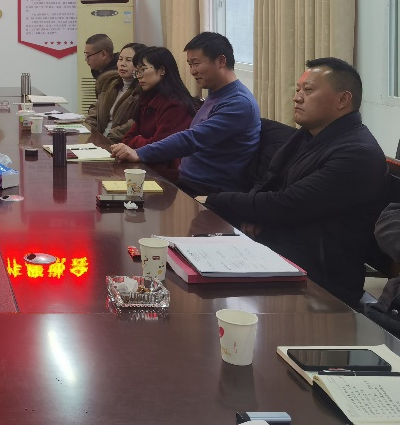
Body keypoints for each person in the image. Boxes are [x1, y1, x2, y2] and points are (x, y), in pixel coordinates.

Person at [199, 58, 390, 308]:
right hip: (279, 250)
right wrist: (253, 213)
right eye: (298, 90)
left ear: (343, 100)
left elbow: (287, 204)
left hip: (320, 279)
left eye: (308, 90)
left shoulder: (357, 153)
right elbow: (269, 180)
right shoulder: (308, 134)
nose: (297, 98)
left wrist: (215, 199)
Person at [111, 32, 260, 196]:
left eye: (196, 63)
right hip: (187, 181)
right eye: (190, 65)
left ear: (221, 61)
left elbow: (192, 139)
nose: (192, 71)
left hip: (209, 190)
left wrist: (139, 153)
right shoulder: (215, 95)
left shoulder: (238, 103)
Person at [111, 47, 198, 178]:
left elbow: (161, 147)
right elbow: (127, 139)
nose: (139, 76)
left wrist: (138, 141)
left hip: (166, 174)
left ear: (162, 70)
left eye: (143, 69)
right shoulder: (147, 99)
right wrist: (142, 142)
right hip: (146, 166)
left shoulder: (176, 105)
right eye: (137, 71)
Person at [84, 43, 146, 142]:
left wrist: (107, 138)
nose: (122, 64)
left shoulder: (143, 91)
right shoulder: (109, 84)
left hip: (120, 143)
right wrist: (89, 130)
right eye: (120, 59)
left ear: (141, 65)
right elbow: (95, 110)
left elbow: (134, 124)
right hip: (99, 141)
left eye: (128, 60)